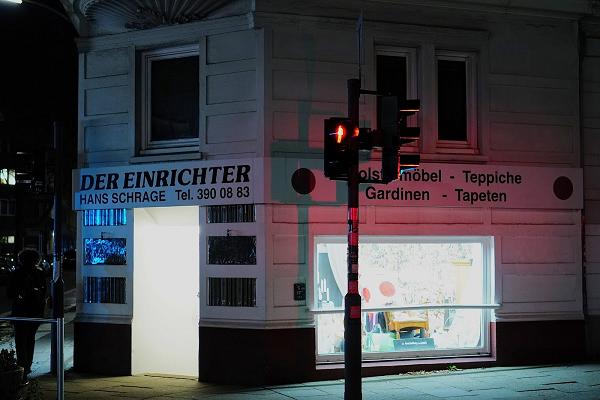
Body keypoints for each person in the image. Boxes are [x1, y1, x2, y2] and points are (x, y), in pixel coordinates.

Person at [7, 248, 48, 381]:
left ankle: (22, 365)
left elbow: (9, 293)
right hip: (35, 311)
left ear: (21, 260)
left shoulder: (16, 273)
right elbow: (44, 293)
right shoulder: (39, 273)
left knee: (20, 340)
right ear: (36, 260)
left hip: (20, 311)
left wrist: (20, 294)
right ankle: (28, 365)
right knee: (30, 338)